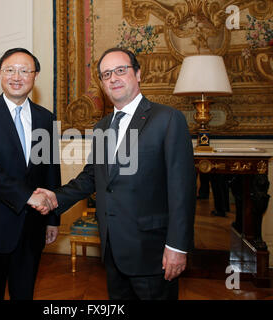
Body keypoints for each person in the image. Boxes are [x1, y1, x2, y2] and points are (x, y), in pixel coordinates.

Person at [33, 47, 196, 300]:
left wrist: (177, 247)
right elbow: (91, 177)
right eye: (106, 74)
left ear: (138, 74)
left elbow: (181, 190)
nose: (113, 78)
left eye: (121, 70)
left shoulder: (167, 119)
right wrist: (55, 198)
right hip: (112, 249)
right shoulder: (102, 126)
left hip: (153, 253)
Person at [0, 48, 61, 300]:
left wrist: (53, 218)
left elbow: (50, 169)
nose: (16, 76)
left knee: (24, 292)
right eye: (10, 70)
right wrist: (28, 196)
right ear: (0, 73)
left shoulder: (46, 118)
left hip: (32, 225)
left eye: (24, 70)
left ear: (35, 75)